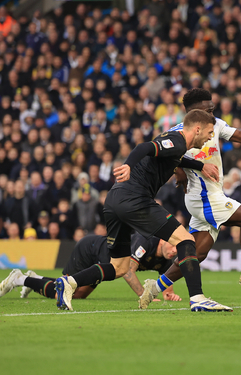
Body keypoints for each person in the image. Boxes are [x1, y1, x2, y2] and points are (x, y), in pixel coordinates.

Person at [52, 109, 225, 312]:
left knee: (119, 267)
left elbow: (175, 157)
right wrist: (128, 166)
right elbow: (145, 147)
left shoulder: (176, 146)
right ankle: (197, 298)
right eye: (210, 132)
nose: (211, 137)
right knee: (186, 240)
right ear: (197, 129)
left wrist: (199, 166)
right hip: (134, 199)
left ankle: (70, 282)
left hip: (114, 200)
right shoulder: (177, 141)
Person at [139, 88, 241, 310]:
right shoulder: (176, 133)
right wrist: (178, 169)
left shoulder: (216, 124)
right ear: (193, 111)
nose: (212, 110)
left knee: (197, 253)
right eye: (207, 107)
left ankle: (154, 287)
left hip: (213, 195)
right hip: (201, 197)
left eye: (212, 107)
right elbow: (162, 155)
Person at [0, 233, 180, 301]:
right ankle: (19, 279)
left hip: (101, 262)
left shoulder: (166, 256)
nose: (174, 252)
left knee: (78, 294)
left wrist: (169, 295)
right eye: (173, 246)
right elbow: (127, 271)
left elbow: (166, 283)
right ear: (163, 241)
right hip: (89, 250)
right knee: (62, 291)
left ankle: (35, 278)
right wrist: (144, 295)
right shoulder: (145, 242)